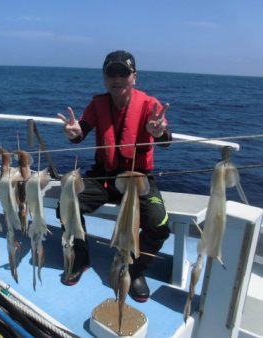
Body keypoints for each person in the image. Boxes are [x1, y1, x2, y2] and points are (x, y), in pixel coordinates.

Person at [56, 50, 172, 303]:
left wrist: (158, 131)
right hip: (104, 177)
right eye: (112, 73)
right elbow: (80, 133)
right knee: (66, 205)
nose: (117, 78)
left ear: (134, 77)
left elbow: (166, 141)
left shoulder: (150, 105)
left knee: (160, 226)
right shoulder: (97, 104)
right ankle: (80, 257)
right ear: (104, 77)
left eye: (123, 73)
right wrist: (73, 132)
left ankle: (136, 271)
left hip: (138, 179)